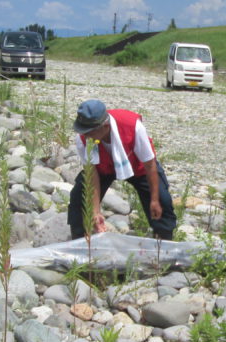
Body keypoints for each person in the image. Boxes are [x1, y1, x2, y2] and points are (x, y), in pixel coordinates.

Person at [67, 99, 177, 240]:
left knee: (162, 200)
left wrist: (154, 200)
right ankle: (80, 244)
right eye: (83, 131)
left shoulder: (133, 126)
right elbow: (91, 173)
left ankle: (164, 245)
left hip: (137, 168)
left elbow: (150, 165)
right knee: (79, 198)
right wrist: (95, 211)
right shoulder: (82, 138)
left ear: (105, 126)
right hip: (103, 169)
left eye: (89, 132)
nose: (85, 135)